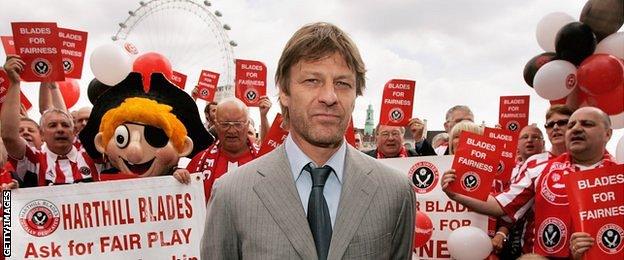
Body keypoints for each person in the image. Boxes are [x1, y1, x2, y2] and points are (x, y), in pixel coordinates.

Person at [201, 22, 415, 259]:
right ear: (284, 92)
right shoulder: (232, 193)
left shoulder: (395, 191)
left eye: (343, 84)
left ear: (356, 95)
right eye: (312, 81)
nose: (329, 97)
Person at [441, 107, 616, 259]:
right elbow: (501, 206)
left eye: (587, 124)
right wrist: (456, 194)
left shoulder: (619, 173)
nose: (576, 129)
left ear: (608, 133)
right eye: (571, 125)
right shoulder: (537, 167)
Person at [79, 72, 211, 181]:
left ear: (184, 146)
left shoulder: (175, 178)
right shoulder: (101, 181)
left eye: (156, 137)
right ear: (102, 143)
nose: (134, 152)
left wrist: (178, 179)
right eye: (121, 138)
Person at [2, 55, 98, 186]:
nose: (60, 129)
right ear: (42, 134)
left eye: (65, 125)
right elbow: (9, 137)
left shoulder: (91, 154)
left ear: (74, 131)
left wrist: (53, 85)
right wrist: (14, 83)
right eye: (52, 126)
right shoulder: (34, 159)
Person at [181, 97, 259, 202]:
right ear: (216, 126)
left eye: (238, 124)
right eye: (225, 124)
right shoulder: (199, 163)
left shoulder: (265, 160)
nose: (232, 131)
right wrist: (178, 178)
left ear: (247, 124)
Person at [491, 124, 545, 259]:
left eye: (535, 137)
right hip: (514, 240)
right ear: (517, 144)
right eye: (525, 137)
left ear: (543, 143)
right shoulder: (509, 170)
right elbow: (507, 204)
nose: (530, 140)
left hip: (542, 240)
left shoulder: (552, 167)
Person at [364, 124, 432, 158]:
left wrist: (419, 139)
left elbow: (433, 161)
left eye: (395, 133)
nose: (391, 138)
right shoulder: (364, 159)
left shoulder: (416, 157)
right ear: (376, 138)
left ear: (403, 137)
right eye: (385, 134)